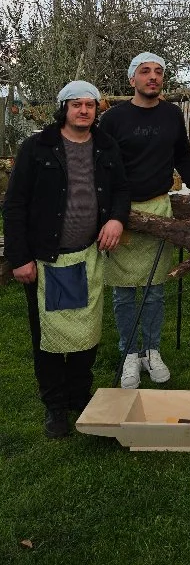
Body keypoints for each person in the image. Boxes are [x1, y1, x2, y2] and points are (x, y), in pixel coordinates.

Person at [3, 81, 130, 438]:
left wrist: (117, 218)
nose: (84, 111)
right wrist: (19, 258)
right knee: (47, 334)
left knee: (85, 329)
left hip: (88, 255)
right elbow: (13, 205)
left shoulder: (105, 146)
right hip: (45, 259)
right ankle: (55, 406)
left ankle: (79, 395)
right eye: (77, 105)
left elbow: (121, 189)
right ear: (64, 108)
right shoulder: (37, 147)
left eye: (90, 105)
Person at [99, 52, 190, 389]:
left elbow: (182, 155)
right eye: (145, 72)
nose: (152, 77)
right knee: (124, 292)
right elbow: (104, 167)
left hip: (158, 208)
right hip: (120, 213)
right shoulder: (113, 119)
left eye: (158, 72)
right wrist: (111, 211)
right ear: (132, 79)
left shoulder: (171, 115)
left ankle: (152, 350)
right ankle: (129, 353)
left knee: (154, 289)